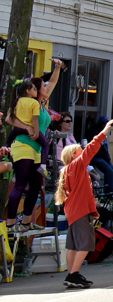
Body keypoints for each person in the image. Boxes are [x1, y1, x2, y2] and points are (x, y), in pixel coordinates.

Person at [4, 59, 64, 234]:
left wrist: (58, 67)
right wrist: (28, 127)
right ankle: (10, 223)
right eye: (42, 87)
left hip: (37, 150)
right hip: (24, 146)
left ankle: (26, 221)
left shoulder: (42, 104)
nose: (46, 88)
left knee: (36, 185)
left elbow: (53, 82)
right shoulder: (29, 103)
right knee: (21, 184)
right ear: (34, 90)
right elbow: (9, 118)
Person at [54, 118, 113, 289]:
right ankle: (73, 274)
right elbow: (91, 148)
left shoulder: (68, 169)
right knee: (86, 243)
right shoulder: (77, 165)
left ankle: (71, 273)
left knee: (73, 244)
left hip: (73, 211)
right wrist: (103, 133)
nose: (82, 150)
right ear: (73, 155)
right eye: (78, 149)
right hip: (79, 211)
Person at [88, 117, 113, 198]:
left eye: (106, 123)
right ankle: (108, 194)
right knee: (109, 171)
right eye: (103, 123)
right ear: (100, 123)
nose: (105, 125)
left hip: (104, 157)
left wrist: (107, 156)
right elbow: (95, 149)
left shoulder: (104, 134)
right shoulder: (94, 133)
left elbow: (104, 148)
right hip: (95, 156)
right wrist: (105, 156)